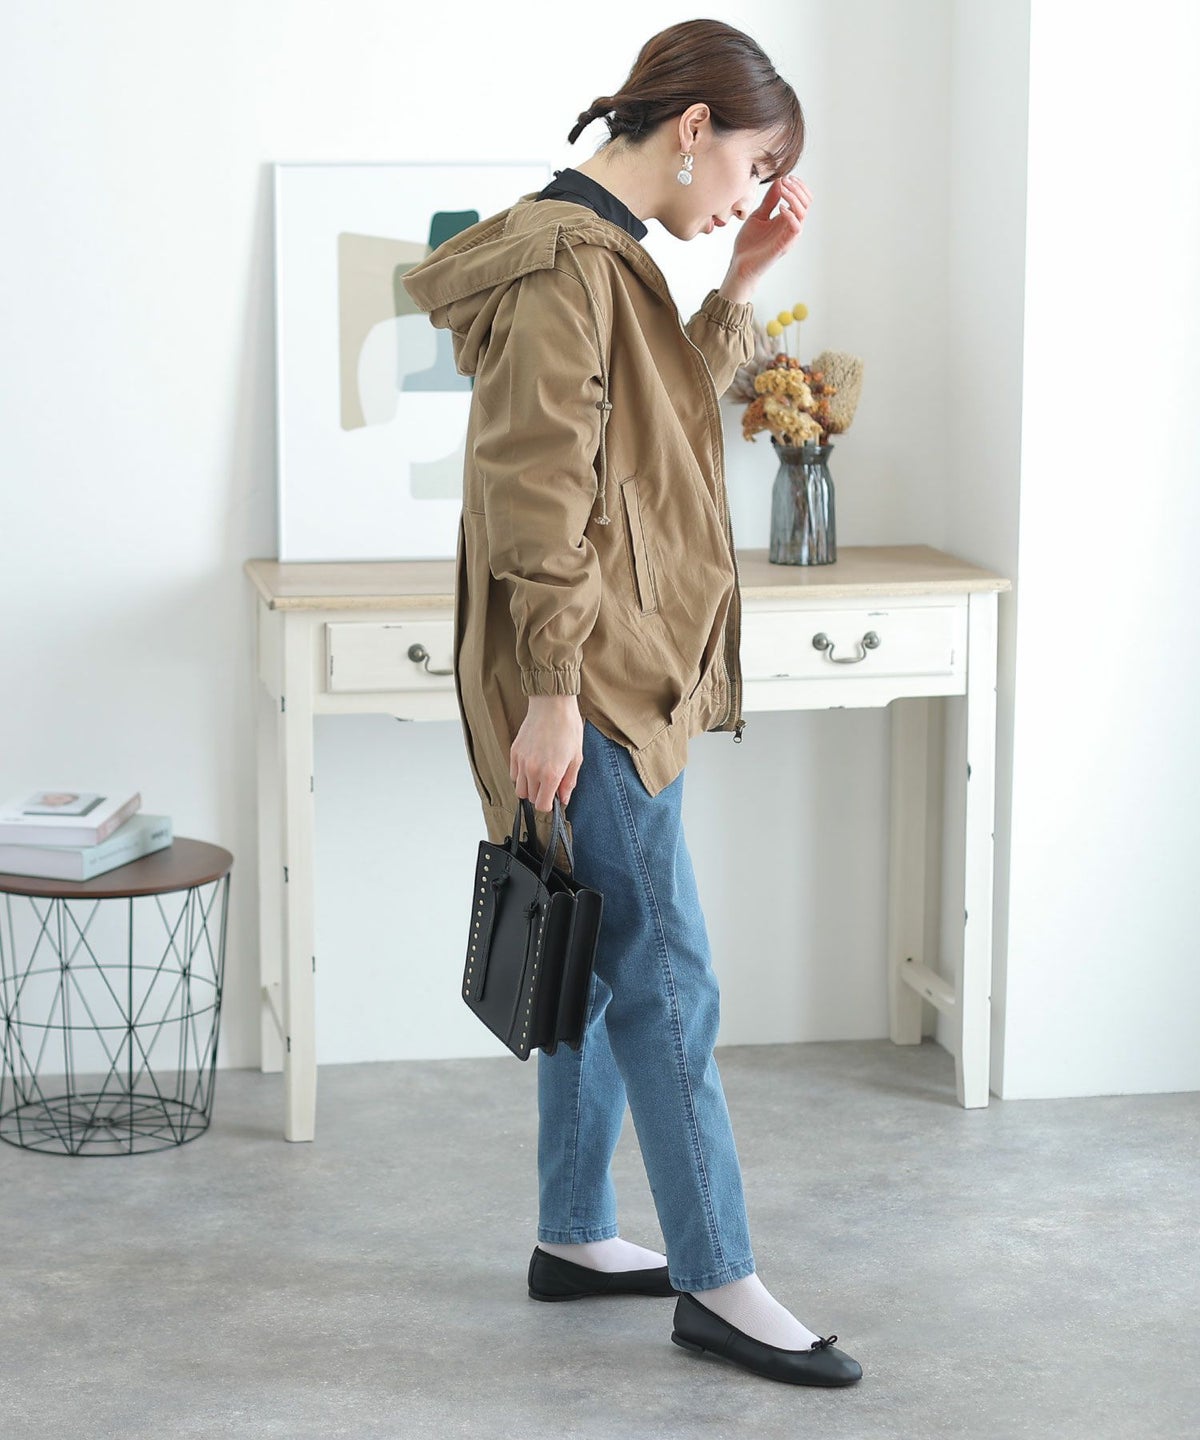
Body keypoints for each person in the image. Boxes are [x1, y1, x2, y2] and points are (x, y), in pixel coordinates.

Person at [402, 18, 862, 1388]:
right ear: (695, 127)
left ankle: (574, 1229)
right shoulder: (567, 265)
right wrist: (552, 693)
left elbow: (652, 438)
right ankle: (718, 1276)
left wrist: (745, 277)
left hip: (615, 669)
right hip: (594, 679)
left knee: (599, 948)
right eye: (755, 164)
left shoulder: (606, 253)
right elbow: (538, 492)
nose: (747, 193)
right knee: (667, 975)